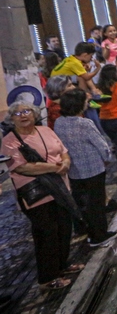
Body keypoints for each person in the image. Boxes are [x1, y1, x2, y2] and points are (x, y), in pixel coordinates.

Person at [1, 102, 81, 290]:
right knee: (46, 235)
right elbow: (21, 167)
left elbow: (63, 152)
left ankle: (62, 265)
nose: (23, 115)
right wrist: (55, 167)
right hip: (36, 195)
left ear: (35, 113)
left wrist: (66, 163)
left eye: (26, 111)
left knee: (64, 228)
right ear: (11, 119)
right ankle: (48, 278)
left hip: (59, 190)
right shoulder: (9, 141)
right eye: (17, 113)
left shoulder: (45, 130)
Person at [54, 89, 116, 248]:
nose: (87, 103)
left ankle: (88, 232)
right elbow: (102, 146)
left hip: (74, 171)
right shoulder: (85, 124)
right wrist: (107, 158)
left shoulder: (59, 122)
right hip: (93, 169)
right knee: (96, 203)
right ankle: (99, 236)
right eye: (85, 101)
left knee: (82, 203)